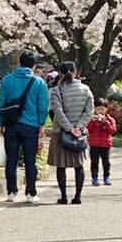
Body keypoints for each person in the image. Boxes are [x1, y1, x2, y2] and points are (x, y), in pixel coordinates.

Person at [0, 51, 50, 203]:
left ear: (19, 63)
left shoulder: (7, 80)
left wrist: (0, 123)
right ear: (34, 65)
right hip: (31, 125)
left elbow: (0, 103)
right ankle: (31, 193)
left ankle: (11, 192)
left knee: (11, 159)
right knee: (30, 160)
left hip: (11, 125)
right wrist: (41, 124)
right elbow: (43, 106)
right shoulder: (39, 82)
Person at [48, 61, 93, 203]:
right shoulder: (85, 89)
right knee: (78, 165)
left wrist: (68, 128)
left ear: (60, 73)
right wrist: (78, 127)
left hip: (60, 133)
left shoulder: (56, 90)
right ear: (75, 72)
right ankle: (78, 197)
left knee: (61, 166)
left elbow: (58, 112)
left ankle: (63, 196)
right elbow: (89, 111)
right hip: (79, 134)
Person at [87, 100, 116, 186]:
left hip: (105, 144)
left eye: (102, 109)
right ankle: (94, 178)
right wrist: (92, 121)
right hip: (94, 144)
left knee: (106, 162)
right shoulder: (91, 119)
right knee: (94, 162)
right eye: (98, 109)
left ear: (106, 109)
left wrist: (105, 122)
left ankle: (106, 177)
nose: (100, 111)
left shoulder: (110, 119)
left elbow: (113, 130)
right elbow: (88, 129)